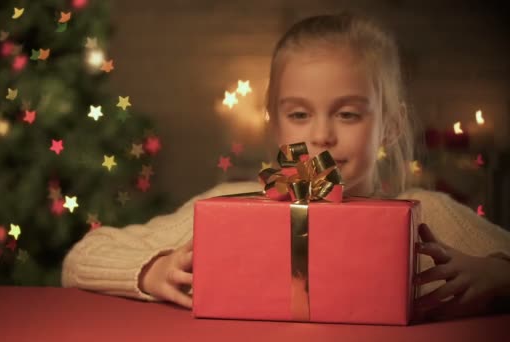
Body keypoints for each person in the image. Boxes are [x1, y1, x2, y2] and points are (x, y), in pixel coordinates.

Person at [62, 12, 510, 322]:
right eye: (299, 115)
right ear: (275, 123)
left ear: (389, 127)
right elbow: (82, 257)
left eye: (348, 114)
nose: (321, 136)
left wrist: (497, 274)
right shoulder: (225, 209)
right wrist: (152, 271)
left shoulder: (432, 216)